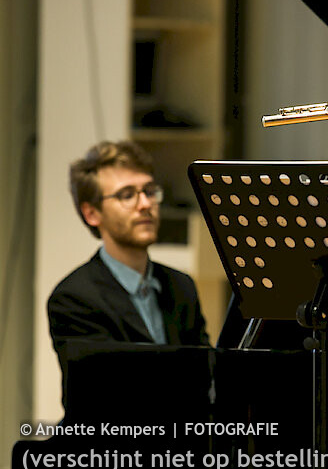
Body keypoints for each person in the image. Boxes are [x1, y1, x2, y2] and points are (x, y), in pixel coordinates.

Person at [48, 141, 209, 372]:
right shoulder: (73, 298)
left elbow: (205, 374)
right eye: (127, 195)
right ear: (91, 213)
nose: (145, 204)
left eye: (150, 191)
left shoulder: (182, 286)